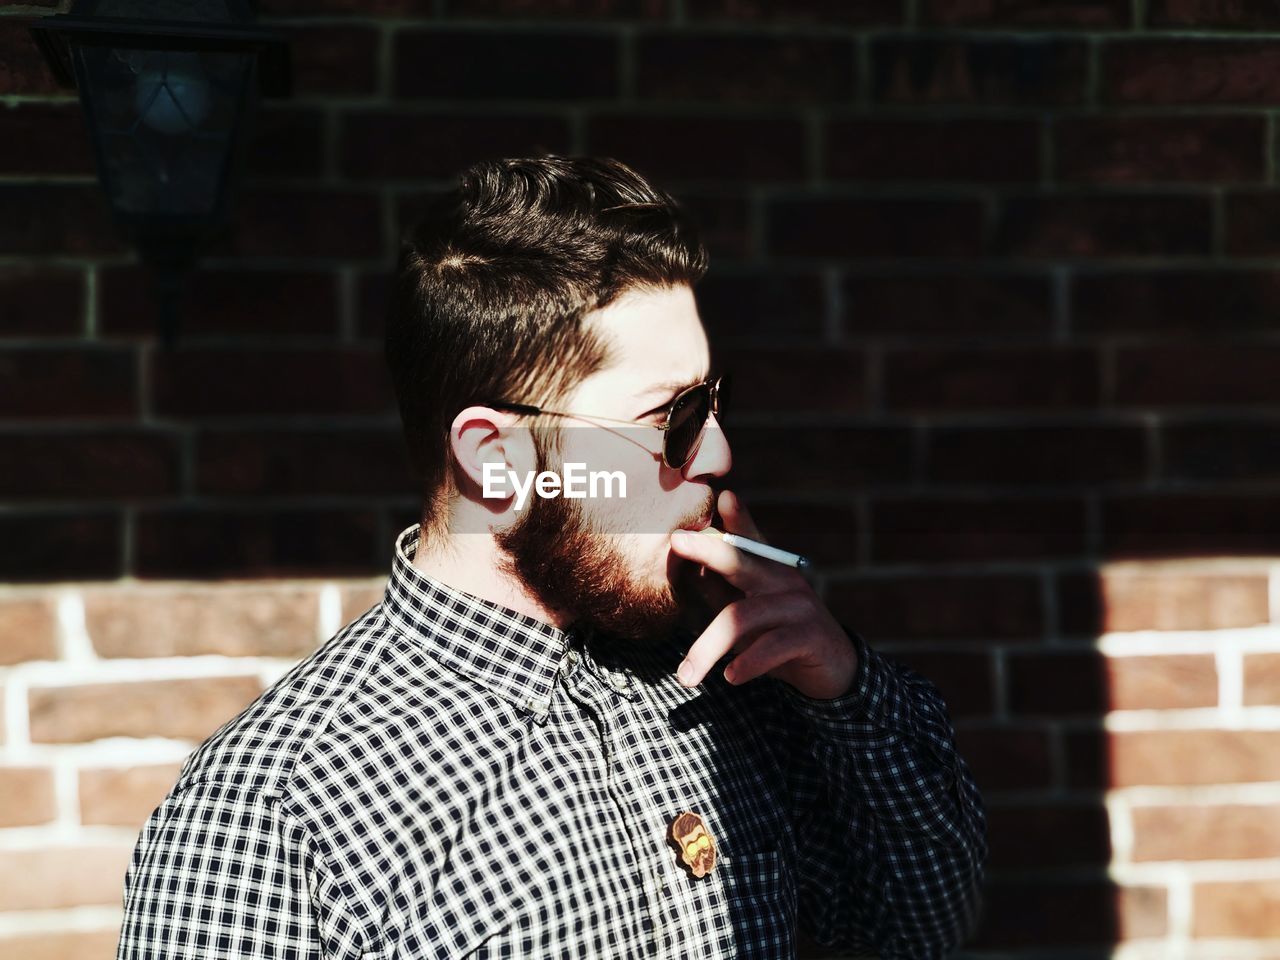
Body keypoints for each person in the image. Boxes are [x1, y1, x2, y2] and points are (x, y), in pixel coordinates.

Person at [116, 156, 987, 960]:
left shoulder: (735, 683)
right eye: (667, 420)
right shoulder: (276, 817)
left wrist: (845, 688)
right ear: (496, 458)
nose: (715, 452)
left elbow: (920, 929)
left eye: (712, 401)